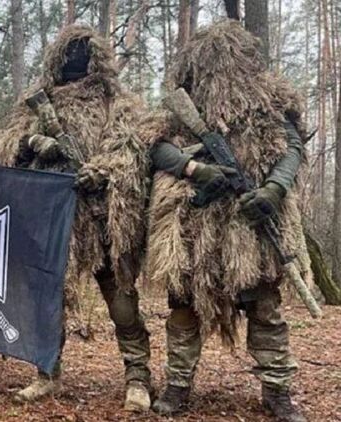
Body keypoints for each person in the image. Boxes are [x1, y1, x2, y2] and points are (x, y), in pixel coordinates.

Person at [145, 21, 311, 422]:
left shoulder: (270, 102)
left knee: (265, 308)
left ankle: (277, 390)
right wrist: (194, 169)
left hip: (251, 228)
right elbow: (156, 147)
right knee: (184, 309)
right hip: (195, 226)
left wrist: (274, 189)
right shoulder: (181, 104)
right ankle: (177, 385)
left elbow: (292, 148)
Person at [0, 25, 152, 410]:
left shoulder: (116, 101)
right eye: (69, 53)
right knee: (49, 297)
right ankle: (46, 373)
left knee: (121, 301)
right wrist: (36, 143)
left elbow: (132, 148)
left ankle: (138, 377)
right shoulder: (39, 101)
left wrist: (101, 171)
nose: (76, 60)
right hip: (52, 216)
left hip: (102, 215)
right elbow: (10, 148)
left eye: (83, 52)